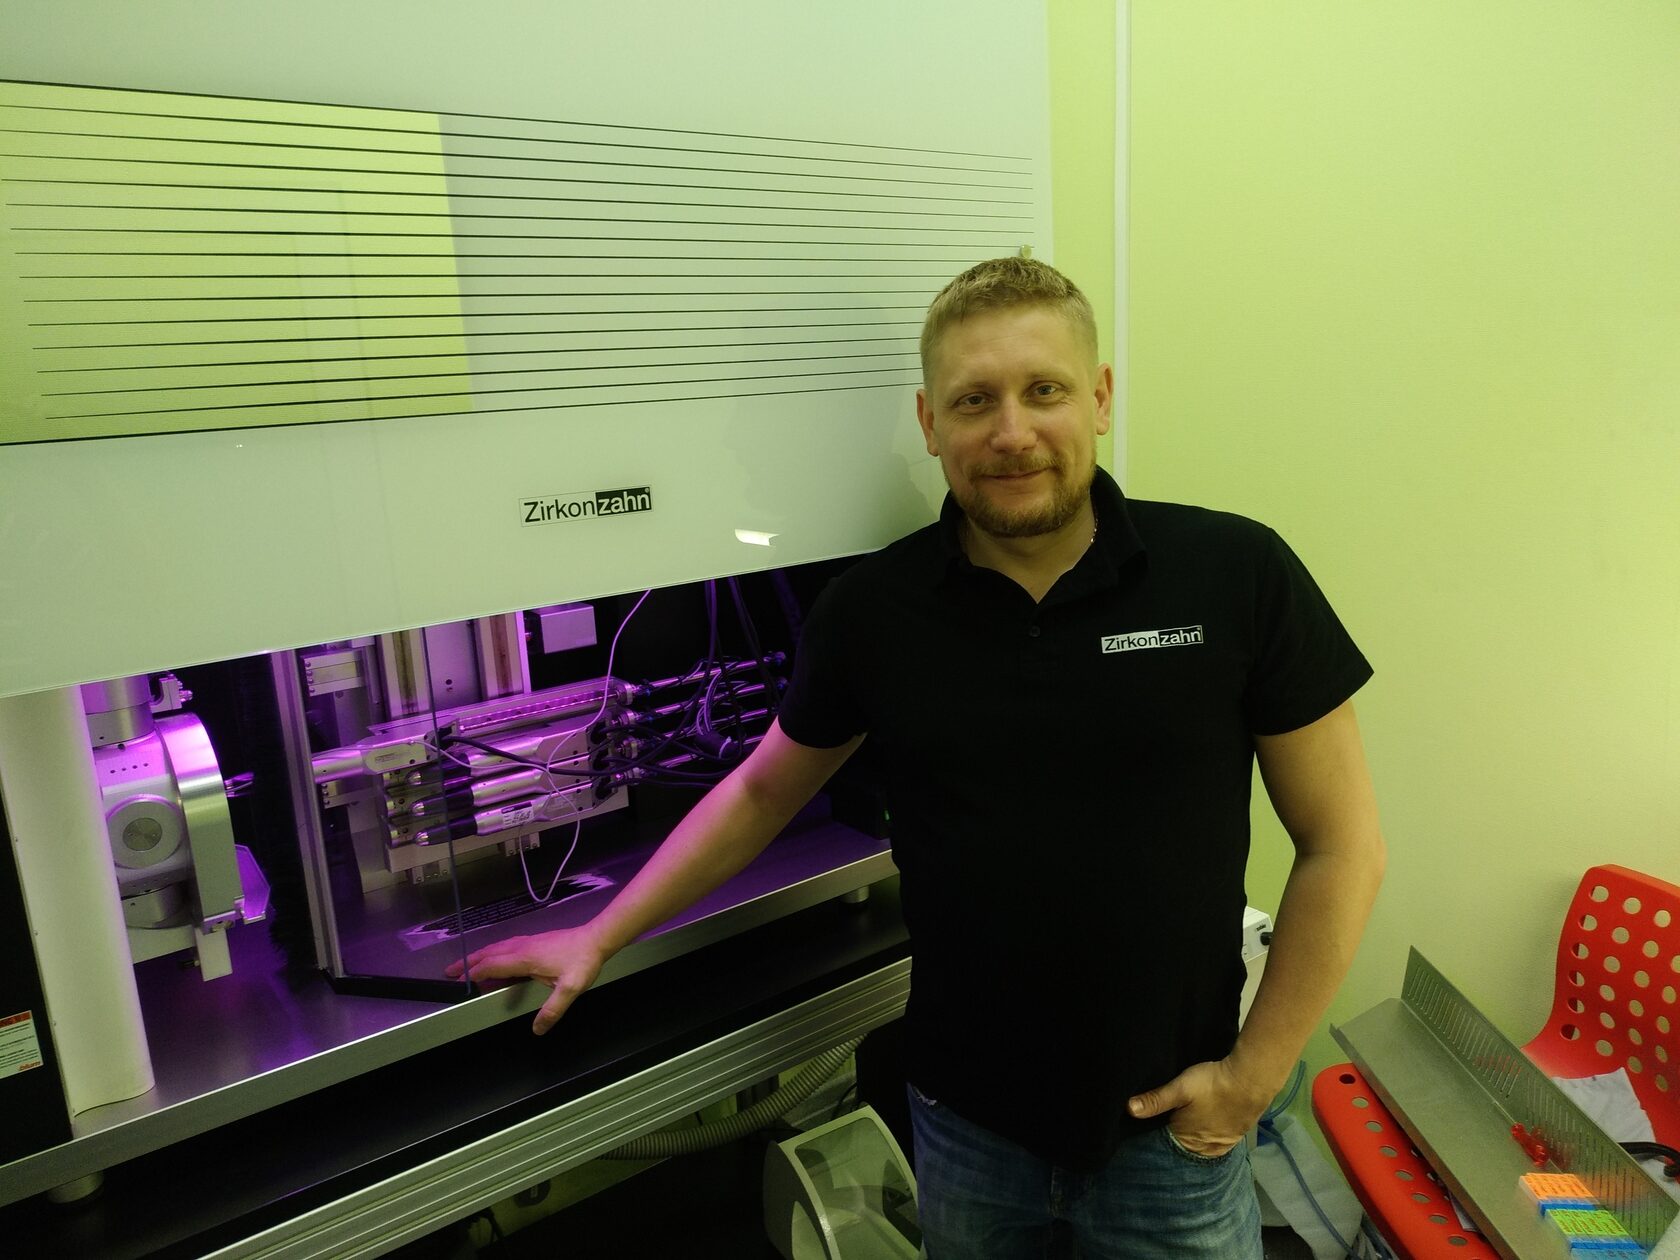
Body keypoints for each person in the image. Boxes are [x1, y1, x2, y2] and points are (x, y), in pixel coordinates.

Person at [449, 257, 1386, 1259]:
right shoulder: (874, 613)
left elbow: (1343, 847)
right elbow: (762, 791)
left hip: (1170, 1140)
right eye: (974, 401)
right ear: (931, 423)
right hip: (965, 1135)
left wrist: (1251, 1078)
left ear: (1101, 399)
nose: (1012, 432)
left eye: (1044, 390)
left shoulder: (1233, 575)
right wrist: (600, 935)